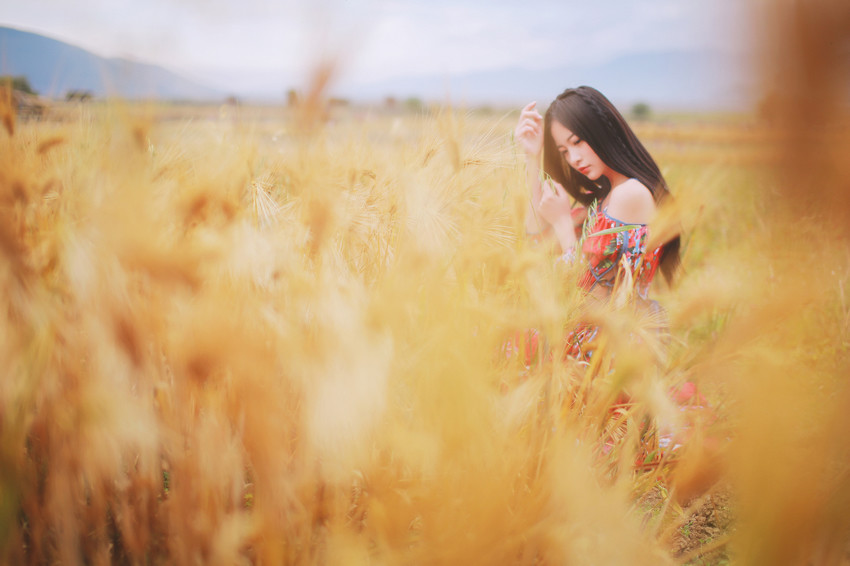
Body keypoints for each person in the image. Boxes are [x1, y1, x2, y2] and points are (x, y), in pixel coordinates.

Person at [512, 86, 681, 364]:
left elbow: (585, 289)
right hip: (594, 340)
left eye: (578, 142)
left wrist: (565, 224)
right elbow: (535, 239)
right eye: (564, 151)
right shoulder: (604, 197)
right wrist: (532, 157)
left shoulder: (630, 194)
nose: (574, 159)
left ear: (602, 130)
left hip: (614, 350)